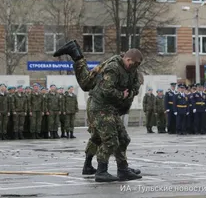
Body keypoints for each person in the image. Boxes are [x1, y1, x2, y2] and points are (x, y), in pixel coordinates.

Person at [53, 40, 142, 182]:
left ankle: (122, 169)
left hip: (110, 107)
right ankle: (101, 171)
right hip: (99, 106)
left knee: (120, 138)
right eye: (132, 65)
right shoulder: (113, 68)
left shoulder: (131, 69)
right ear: (127, 59)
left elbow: (135, 86)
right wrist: (122, 95)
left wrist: (128, 93)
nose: (133, 68)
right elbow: (107, 90)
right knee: (109, 139)